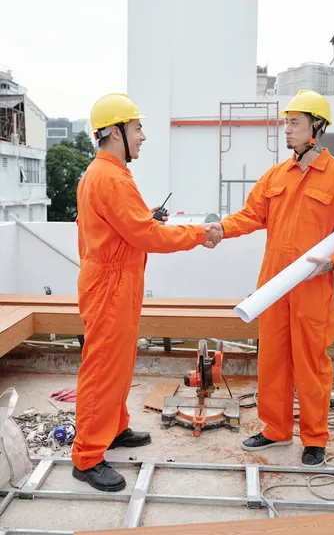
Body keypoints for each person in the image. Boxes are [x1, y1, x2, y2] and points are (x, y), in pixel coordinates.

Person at [210, 89, 334, 467]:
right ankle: (275, 429)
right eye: (286, 122)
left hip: (312, 286)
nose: (286, 130)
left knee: (312, 362)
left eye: (294, 123)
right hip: (274, 285)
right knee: (272, 359)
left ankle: (315, 438)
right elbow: (250, 215)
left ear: (316, 127)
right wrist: (221, 228)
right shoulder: (277, 175)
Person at [71, 93, 221, 491]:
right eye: (137, 128)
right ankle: (87, 456)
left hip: (114, 280)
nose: (143, 136)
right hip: (111, 285)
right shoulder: (111, 178)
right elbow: (147, 235)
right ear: (116, 132)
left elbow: (127, 224)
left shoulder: (103, 174)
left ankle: (114, 429)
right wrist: (198, 234)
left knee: (117, 363)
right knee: (103, 368)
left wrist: (145, 216)